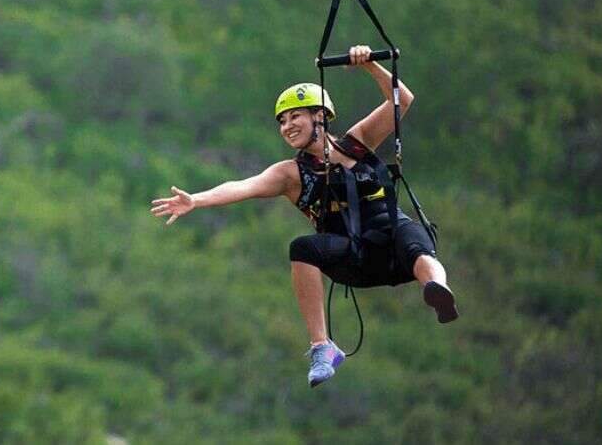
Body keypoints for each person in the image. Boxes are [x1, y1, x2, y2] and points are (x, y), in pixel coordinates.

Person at [150, 45, 457, 388]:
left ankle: (436, 290)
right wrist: (196, 200)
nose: (287, 126)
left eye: (295, 116)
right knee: (303, 247)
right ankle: (322, 346)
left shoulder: (358, 143)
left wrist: (370, 65)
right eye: (282, 121)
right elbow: (242, 186)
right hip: (355, 258)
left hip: (395, 247)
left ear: (320, 116)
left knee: (413, 239)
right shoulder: (291, 174)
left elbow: (402, 99)